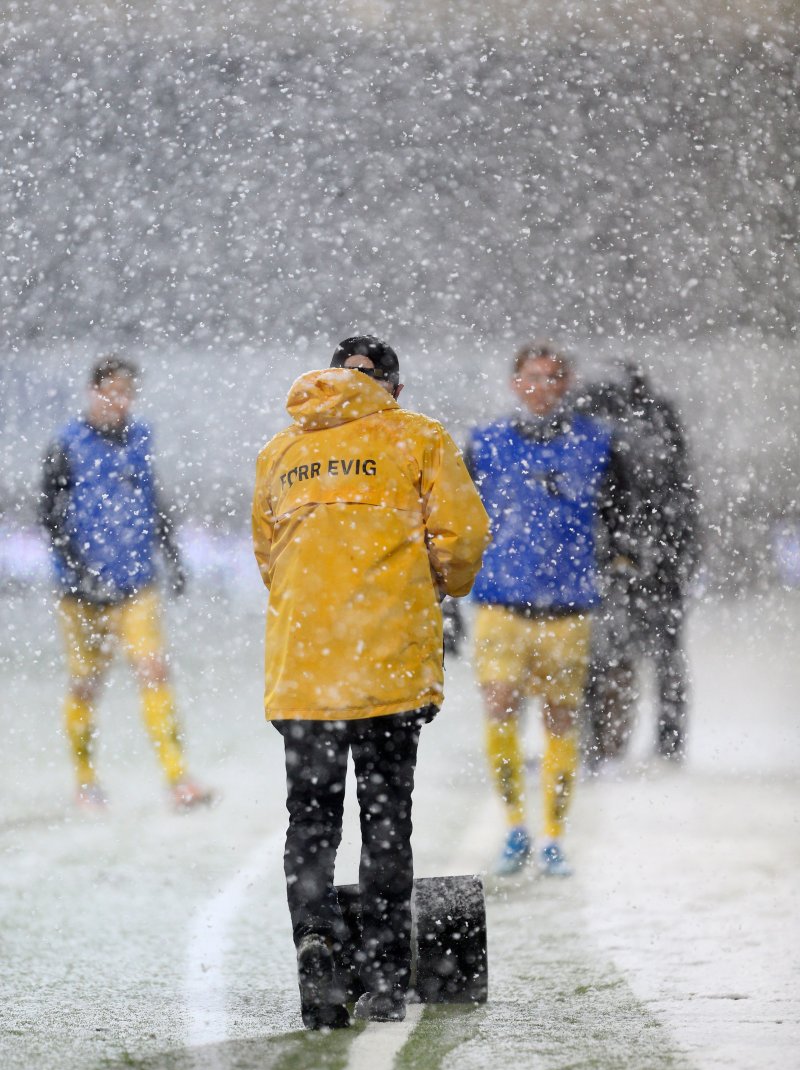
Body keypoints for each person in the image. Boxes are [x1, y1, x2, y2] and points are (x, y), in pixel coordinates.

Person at [252, 335, 489, 1029]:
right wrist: (433, 586)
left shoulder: (280, 453)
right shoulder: (417, 438)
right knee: (387, 818)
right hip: (387, 667)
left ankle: (318, 941)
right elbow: (463, 538)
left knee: (311, 820)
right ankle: (386, 973)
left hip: (305, 671)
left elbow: (270, 556)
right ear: (394, 387)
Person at [465, 343, 634, 877]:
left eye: (553, 378)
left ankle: (555, 835)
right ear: (515, 383)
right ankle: (515, 826)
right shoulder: (486, 443)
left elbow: (623, 515)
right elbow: (458, 516)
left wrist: (621, 562)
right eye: (532, 378)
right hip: (501, 602)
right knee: (500, 705)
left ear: (568, 384)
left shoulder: (597, 444)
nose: (542, 388)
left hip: (567, 605)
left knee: (560, 720)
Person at [38, 355, 214, 812]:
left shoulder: (140, 438)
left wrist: (171, 556)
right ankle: (85, 782)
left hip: (136, 583)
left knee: (153, 670)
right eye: (112, 391)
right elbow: (50, 519)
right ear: (93, 392)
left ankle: (178, 778)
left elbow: (152, 498)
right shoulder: (66, 446)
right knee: (86, 684)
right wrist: (81, 574)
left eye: (127, 393)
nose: (121, 401)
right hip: (81, 593)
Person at [583, 364, 698, 763]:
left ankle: (601, 743)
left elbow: (607, 502)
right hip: (657, 558)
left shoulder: (602, 428)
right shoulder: (660, 427)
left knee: (608, 653)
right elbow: (683, 503)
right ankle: (666, 743)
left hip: (632, 557)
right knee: (662, 655)